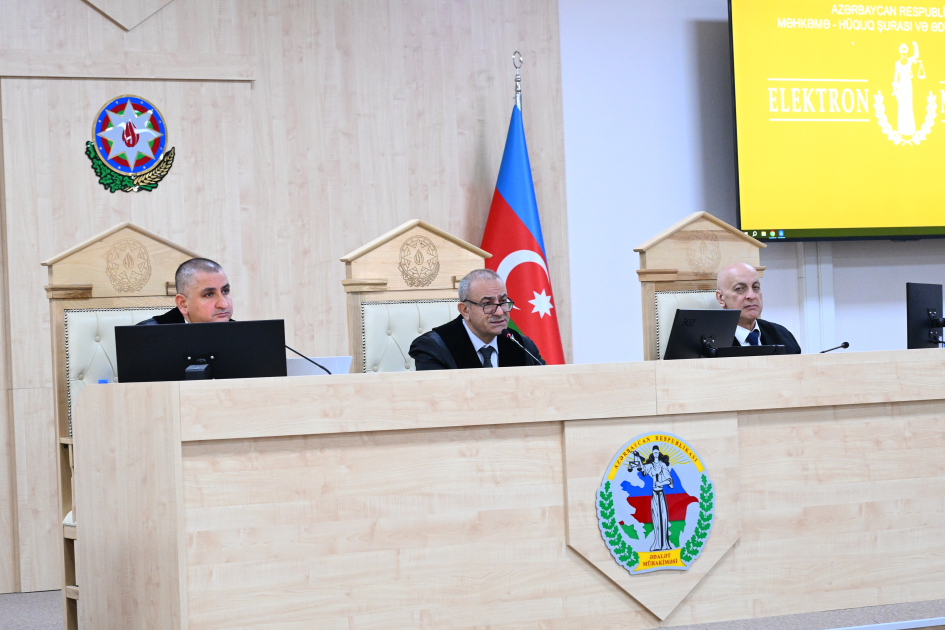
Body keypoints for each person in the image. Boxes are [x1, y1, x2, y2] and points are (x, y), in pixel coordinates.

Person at [409, 268, 544, 369]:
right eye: (487, 304)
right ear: (465, 310)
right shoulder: (434, 347)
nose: (499, 311)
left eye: (503, 301)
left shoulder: (522, 345)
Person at [715, 262, 801, 353]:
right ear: (721, 298)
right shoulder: (707, 343)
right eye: (739, 289)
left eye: (755, 287)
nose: (751, 296)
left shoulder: (782, 335)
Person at [138, 258, 233, 325]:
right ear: (183, 304)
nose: (223, 304)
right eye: (209, 294)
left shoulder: (244, 335)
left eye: (225, 291)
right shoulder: (143, 338)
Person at [628, 446, 674, 552]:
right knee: (656, 519)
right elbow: (641, 468)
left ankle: (665, 544)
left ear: (659, 453)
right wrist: (637, 456)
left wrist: (661, 483)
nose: (656, 454)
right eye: (654, 452)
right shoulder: (650, 466)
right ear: (652, 453)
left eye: (657, 452)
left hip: (661, 494)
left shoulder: (662, 465)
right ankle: (657, 544)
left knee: (663, 519)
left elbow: (670, 480)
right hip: (654, 494)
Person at [893, 41, 920, 136]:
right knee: (902, 107)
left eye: (905, 50)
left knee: (908, 107)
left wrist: (915, 45)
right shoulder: (897, 63)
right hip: (901, 87)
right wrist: (895, 89)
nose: (903, 52)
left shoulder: (909, 61)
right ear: (900, 51)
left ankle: (910, 130)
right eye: (902, 50)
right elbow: (895, 77)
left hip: (908, 86)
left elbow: (916, 55)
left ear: (907, 51)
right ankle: (902, 129)